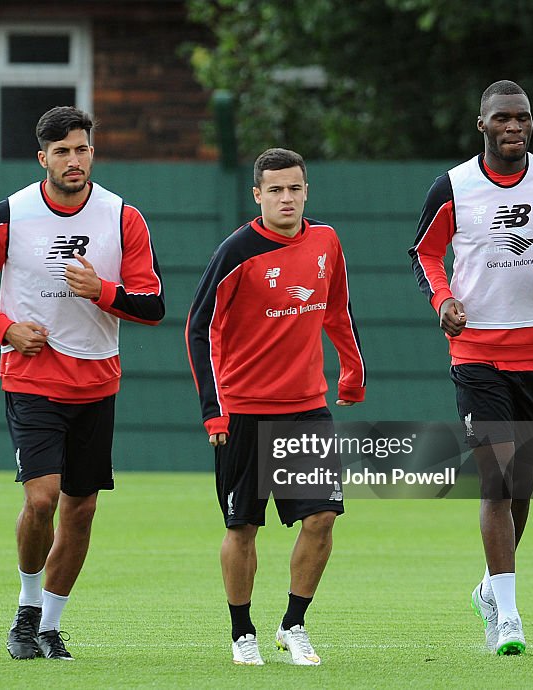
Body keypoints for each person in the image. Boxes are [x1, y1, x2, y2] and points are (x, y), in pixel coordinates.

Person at [0, 106, 164, 661]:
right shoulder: (11, 214)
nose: (75, 160)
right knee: (42, 498)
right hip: (32, 377)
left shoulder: (123, 217)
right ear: (42, 157)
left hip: (97, 380)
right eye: (63, 151)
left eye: (83, 149)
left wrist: (103, 290)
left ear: (93, 152)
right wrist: (5, 328)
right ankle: (26, 609)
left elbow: (153, 304)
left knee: (82, 509)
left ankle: (50, 626)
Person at [409, 80, 533, 655]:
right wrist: (443, 299)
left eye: (522, 118)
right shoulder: (453, 185)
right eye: (502, 119)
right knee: (495, 480)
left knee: (521, 485)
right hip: (475, 352)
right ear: (482, 125)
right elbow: (424, 252)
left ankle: (490, 589)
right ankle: (510, 618)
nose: (514, 128)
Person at [186, 148, 366, 666]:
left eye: (295, 188)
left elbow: (337, 310)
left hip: (306, 407)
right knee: (242, 527)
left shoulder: (326, 242)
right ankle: (243, 633)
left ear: (306, 190)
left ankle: (293, 624)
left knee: (323, 518)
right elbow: (201, 329)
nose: (286, 198)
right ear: (258, 195)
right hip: (243, 411)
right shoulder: (236, 252)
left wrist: (352, 372)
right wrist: (214, 410)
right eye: (276, 190)